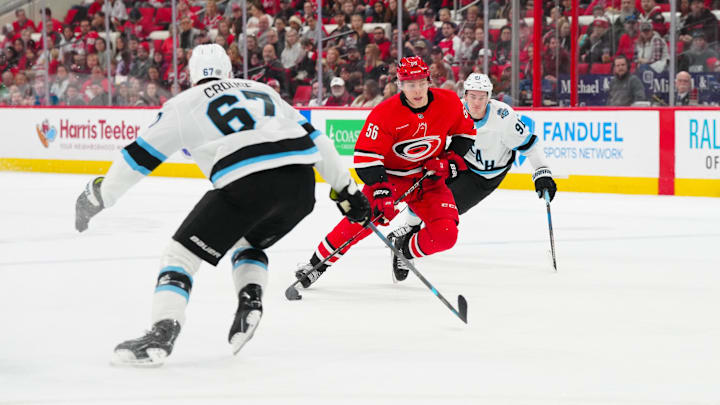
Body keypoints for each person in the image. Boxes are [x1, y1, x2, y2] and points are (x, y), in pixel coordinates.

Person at [74, 44, 370, 367]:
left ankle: (162, 330)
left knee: (180, 255)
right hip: (300, 186)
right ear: (229, 72)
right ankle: (250, 299)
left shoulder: (184, 103)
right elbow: (318, 140)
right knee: (249, 240)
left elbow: (138, 157)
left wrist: (100, 195)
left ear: (190, 75)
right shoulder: (263, 90)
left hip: (247, 182)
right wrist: (348, 191)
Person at [294, 56, 476, 288]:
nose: (417, 90)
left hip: (428, 180)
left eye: (421, 83)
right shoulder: (386, 113)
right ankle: (316, 265)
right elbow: (366, 157)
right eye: (411, 84)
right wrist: (381, 191)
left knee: (446, 235)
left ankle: (403, 250)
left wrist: (448, 160)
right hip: (390, 178)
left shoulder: (449, 102)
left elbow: (466, 133)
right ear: (400, 85)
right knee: (359, 223)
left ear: (429, 81)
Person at [386, 73, 557, 278]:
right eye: (472, 96)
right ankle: (410, 230)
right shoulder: (453, 110)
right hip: (460, 163)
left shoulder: (503, 117)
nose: (476, 103)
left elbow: (530, 145)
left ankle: (406, 247)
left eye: (482, 97)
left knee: (444, 213)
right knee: (424, 188)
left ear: (489, 97)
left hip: (484, 178)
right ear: (465, 95)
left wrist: (542, 173)